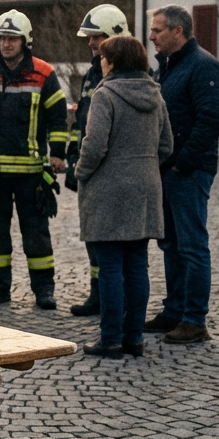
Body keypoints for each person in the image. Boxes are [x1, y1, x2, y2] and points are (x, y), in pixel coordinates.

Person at [0, 10, 69, 309]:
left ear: (25, 41)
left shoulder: (44, 74)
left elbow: (58, 118)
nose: (7, 44)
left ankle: (44, 290)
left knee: (36, 233)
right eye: (2, 39)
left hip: (31, 171)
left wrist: (57, 153)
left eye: (13, 38)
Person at [75, 35, 172, 358]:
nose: (100, 63)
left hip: (109, 190)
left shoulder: (106, 94)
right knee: (137, 265)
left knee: (111, 267)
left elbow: (94, 146)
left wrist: (81, 172)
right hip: (145, 188)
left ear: (112, 61)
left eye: (104, 58)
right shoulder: (155, 94)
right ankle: (134, 338)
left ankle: (111, 339)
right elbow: (166, 146)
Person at [146, 4, 219, 344]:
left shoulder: (204, 66)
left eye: (158, 30)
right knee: (171, 245)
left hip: (188, 172)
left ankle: (194, 320)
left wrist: (183, 163)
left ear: (178, 31)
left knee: (192, 246)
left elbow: (211, 121)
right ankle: (174, 311)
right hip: (170, 170)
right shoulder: (170, 66)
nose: (151, 36)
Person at [65, 4, 133, 317]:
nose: (91, 43)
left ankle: (114, 299)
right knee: (93, 236)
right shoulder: (94, 72)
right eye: (90, 37)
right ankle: (99, 294)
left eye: (97, 37)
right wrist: (71, 160)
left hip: (110, 172)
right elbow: (82, 121)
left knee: (115, 242)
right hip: (90, 170)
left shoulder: (129, 75)